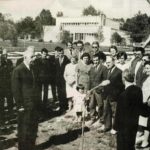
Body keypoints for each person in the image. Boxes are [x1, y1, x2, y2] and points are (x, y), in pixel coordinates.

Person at [12, 46, 41, 150]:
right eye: (32, 57)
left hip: (34, 104)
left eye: (34, 57)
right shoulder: (18, 70)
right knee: (24, 129)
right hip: (24, 105)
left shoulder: (33, 69)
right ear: (25, 57)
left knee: (33, 127)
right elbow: (16, 90)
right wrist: (19, 105)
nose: (34, 59)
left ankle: (31, 147)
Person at [115, 69, 144, 150]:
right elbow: (140, 107)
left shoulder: (123, 95)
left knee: (122, 146)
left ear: (123, 79)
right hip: (134, 123)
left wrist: (115, 127)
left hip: (123, 126)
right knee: (131, 144)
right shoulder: (138, 90)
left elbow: (118, 114)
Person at [100, 56, 124, 134]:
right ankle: (107, 126)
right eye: (106, 63)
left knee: (115, 113)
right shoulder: (106, 71)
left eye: (109, 62)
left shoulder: (119, 72)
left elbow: (121, 85)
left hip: (115, 96)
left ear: (113, 62)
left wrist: (115, 93)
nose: (108, 64)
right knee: (106, 111)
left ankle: (115, 128)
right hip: (106, 95)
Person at [87, 53, 108, 127]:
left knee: (100, 105)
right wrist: (88, 90)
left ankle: (101, 120)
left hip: (99, 90)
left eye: (97, 60)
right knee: (91, 105)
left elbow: (105, 80)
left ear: (99, 60)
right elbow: (90, 80)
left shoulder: (104, 68)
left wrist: (101, 89)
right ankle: (92, 118)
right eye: (94, 60)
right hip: (92, 90)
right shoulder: (92, 68)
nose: (95, 61)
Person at [55, 46, 70, 112]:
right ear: (58, 53)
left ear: (63, 53)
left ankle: (65, 106)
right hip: (58, 79)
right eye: (59, 53)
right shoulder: (56, 60)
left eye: (62, 53)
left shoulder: (67, 60)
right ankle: (61, 106)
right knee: (59, 92)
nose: (61, 54)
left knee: (64, 92)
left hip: (64, 79)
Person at [1, 48, 14, 118]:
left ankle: (10, 114)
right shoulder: (1, 62)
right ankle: (2, 115)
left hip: (9, 84)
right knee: (1, 102)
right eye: (4, 54)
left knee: (10, 100)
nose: (5, 55)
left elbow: (12, 70)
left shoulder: (10, 62)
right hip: (2, 85)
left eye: (6, 54)